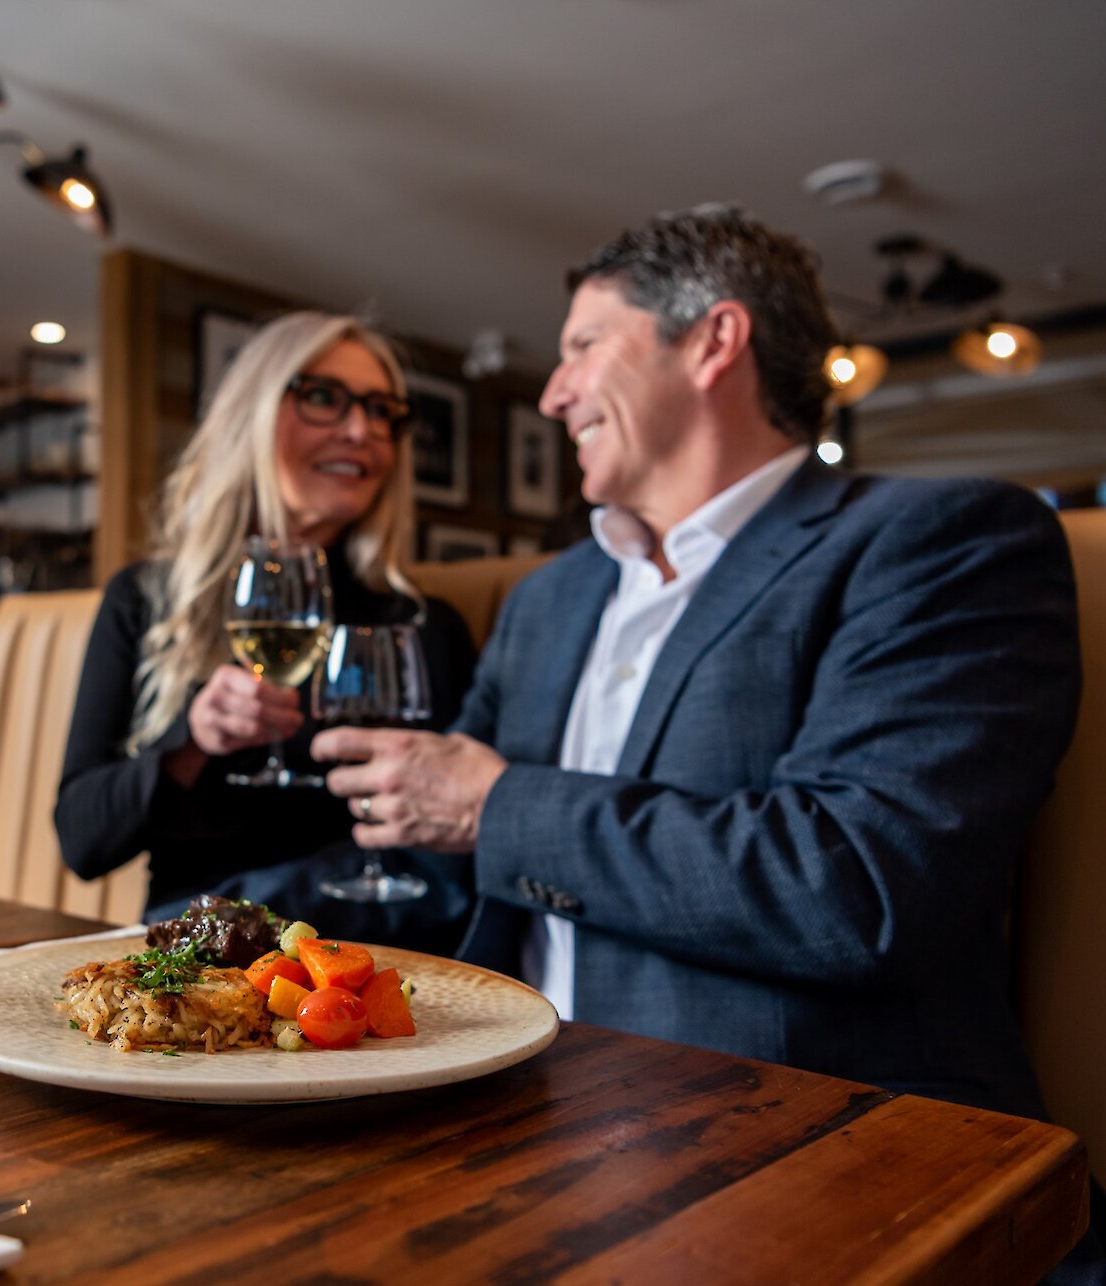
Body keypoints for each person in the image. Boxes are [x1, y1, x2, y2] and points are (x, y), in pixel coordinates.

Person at [316, 206, 1085, 1124]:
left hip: (798, 1133)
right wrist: (216, 925)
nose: (554, 395)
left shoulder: (943, 542)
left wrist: (495, 803)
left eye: (584, 346)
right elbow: (446, 850)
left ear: (714, 341)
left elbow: (861, 888)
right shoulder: (550, 597)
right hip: (504, 1106)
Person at [55, 312, 477, 946]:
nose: (361, 430)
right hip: (194, 957)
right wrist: (191, 740)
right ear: (249, 415)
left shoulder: (419, 626)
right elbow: (82, 841)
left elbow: (453, 851)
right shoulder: (147, 599)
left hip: (362, 956)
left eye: (382, 410)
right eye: (324, 398)